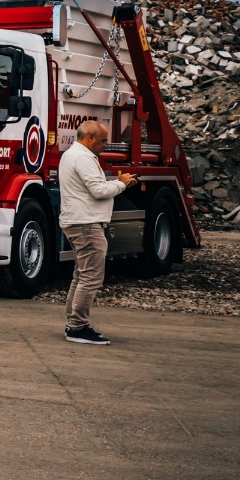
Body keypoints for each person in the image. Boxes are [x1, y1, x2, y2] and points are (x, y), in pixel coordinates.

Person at [59, 119, 137, 345]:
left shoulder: (70, 155)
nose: (105, 145)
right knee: (91, 277)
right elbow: (99, 191)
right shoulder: (83, 158)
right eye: (103, 141)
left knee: (81, 274)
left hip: (77, 221)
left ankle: (73, 322)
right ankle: (77, 327)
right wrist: (121, 183)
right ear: (90, 138)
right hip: (86, 224)